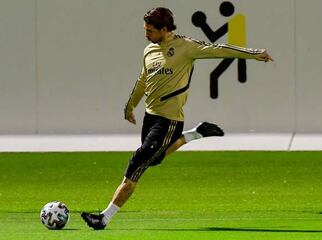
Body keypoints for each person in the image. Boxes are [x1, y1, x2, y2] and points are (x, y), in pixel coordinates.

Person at [81, 7, 273, 230]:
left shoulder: (186, 47)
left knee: (138, 161)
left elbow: (218, 49)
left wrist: (254, 53)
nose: (146, 34)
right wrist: (130, 106)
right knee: (155, 158)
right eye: (145, 29)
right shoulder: (149, 50)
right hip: (150, 117)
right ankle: (195, 133)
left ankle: (103, 218)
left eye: (150, 30)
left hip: (169, 120)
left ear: (165, 29)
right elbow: (143, 80)